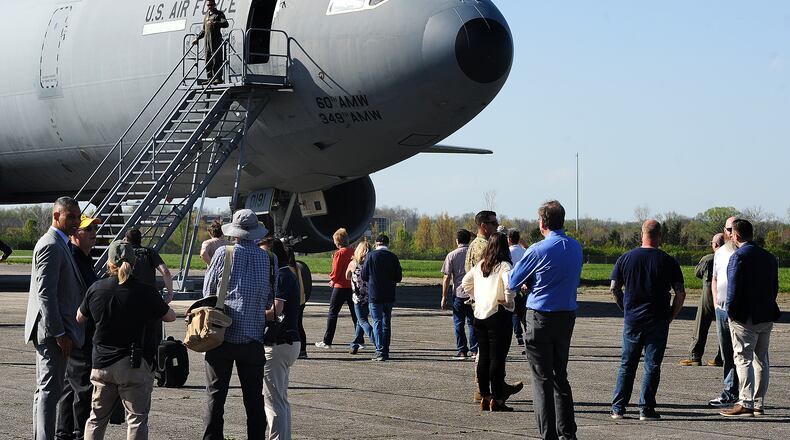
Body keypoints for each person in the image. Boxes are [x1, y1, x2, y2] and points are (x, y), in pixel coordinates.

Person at [78, 241, 176, 439]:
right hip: (134, 364)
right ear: (134, 262)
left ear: (109, 263)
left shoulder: (96, 289)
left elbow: (79, 317)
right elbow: (170, 316)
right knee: (136, 419)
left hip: (102, 365)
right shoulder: (146, 291)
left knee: (96, 418)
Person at [508, 201, 583, 440]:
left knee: (542, 379)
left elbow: (513, 282)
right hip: (566, 316)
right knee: (560, 375)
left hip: (540, 316)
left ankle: (548, 434)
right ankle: (567, 432)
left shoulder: (538, 250)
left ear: (542, 223)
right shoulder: (575, 247)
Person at [201, 209, 274, 440]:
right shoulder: (268, 258)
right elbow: (271, 297)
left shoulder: (224, 252)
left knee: (216, 396)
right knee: (254, 399)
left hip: (222, 335)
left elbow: (207, 292)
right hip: (253, 338)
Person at [609, 220, 685, 422]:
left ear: (641, 234)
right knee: (652, 365)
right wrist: (671, 315)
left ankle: (618, 407)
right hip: (658, 320)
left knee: (627, 364)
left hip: (633, 320)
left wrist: (625, 309)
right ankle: (646, 408)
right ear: (660, 236)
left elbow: (614, 288)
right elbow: (680, 293)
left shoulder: (625, 259)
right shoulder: (668, 261)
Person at [24, 196, 87, 440]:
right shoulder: (51, 244)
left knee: (47, 390)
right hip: (52, 332)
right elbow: (46, 295)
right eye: (70, 216)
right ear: (56, 216)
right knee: (49, 390)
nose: (76, 221)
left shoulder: (61, 243)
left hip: (55, 330)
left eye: (78, 216)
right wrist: (59, 333)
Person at [719, 219, 781, 417]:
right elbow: (775, 288)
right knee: (761, 359)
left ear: (735, 236)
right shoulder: (770, 257)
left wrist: (731, 312)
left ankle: (745, 401)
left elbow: (733, 289)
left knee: (743, 359)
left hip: (745, 317)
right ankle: (759, 402)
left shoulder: (738, 257)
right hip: (766, 315)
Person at [56, 215, 100, 440]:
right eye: (88, 229)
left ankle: (64, 430)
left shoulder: (85, 258)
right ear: (75, 234)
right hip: (78, 330)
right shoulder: (74, 258)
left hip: (82, 330)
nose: (94, 233)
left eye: (94, 228)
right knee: (82, 385)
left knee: (71, 384)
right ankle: (78, 431)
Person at [461, 233, 516, 412]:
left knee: (483, 357)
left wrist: (476, 297)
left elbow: (465, 283)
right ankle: (498, 399)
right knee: (497, 359)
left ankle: (485, 396)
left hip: (480, 315)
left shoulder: (481, 265)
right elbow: (509, 285)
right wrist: (508, 301)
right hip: (498, 314)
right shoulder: (504, 265)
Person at [263, 240, 302, 439]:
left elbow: (277, 310)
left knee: (272, 401)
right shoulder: (290, 274)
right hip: (291, 342)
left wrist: (255, 314)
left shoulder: (282, 276)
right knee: (281, 399)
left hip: (279, 343)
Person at [708, 216, 740, 408]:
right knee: (727, 354)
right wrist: (715, 302)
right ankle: (730, 392)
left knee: (743, 355)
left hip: (740, 311)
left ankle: (746, 394)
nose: (731, 232)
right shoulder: (719, 253)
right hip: (721, 310)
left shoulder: (745, 252)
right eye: (729, 229)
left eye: (734, 228)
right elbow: (714, 279)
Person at [678, 233, 725, 367]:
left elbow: (697, 272)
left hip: (708, 294)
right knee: (723, 329)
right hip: (724, 295)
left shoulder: (709, 258)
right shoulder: (731, 257)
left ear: (715, 244)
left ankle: (695, 356)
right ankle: (721, 357)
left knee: (700, 326)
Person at [315, 228, 359, 349]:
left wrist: (332, 279)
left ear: (338, 241)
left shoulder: (339, 253)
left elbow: (336, 271)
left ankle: (327, 341)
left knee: (333, 313)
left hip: (340, 286)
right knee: (355, 314)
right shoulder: (354, 252)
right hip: (352, 286)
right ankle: (359, 340)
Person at [361, 234, 402, 361]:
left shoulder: (370, 256)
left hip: (375, 294)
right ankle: (386, 350)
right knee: (386, 323)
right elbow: (399, 277)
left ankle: (379, 351)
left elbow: (364, 275)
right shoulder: (393, 257)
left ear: (376, 243)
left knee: (377, 322)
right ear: (387, 244)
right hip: (389, 294)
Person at [441, 229, 478, 360]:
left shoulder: (452, 255)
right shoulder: (475, 254)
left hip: (458, 293)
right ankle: (475, 350)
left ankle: (462, 350)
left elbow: (446, 277)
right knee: (473, 323)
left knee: (458, 323)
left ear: (457, 240)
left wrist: (444, 296)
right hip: (474, 293)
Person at [124, 228, 174, 303]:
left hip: (129, 295)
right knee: (170, 314)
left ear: (126, 239)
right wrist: (170, 294)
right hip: (150, 296)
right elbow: (165, 272)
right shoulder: (149, 252)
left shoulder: (123, 253)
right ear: (140, 239)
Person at [191, 0, 229, 85]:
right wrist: (197, 38)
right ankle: (210, 78)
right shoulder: (206, 16)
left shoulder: (219, 14)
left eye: (211, 4)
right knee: (208, 60)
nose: (209, 6)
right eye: (208, 5)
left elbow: (225, 23)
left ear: (214, 5)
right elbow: (204, 30)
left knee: (216, 59)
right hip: (207, 41)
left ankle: (218, 78)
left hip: (215, 40)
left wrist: (215, 23)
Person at [347, 240, 374, 355]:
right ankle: (354, 344)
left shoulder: (354, 263)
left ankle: (376, 339)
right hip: (370, 296)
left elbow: (347, 276)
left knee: (362, 321)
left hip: (358, 297)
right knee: (360, 320)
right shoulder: (371, 263)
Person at [507, 229, 527, 347]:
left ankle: (518, 334)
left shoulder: (508, 252)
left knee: (514, 312)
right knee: (523, 311)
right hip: (524, 284)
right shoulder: (524, 251)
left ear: (509, 239)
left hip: (511, 283)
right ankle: (527, 331)